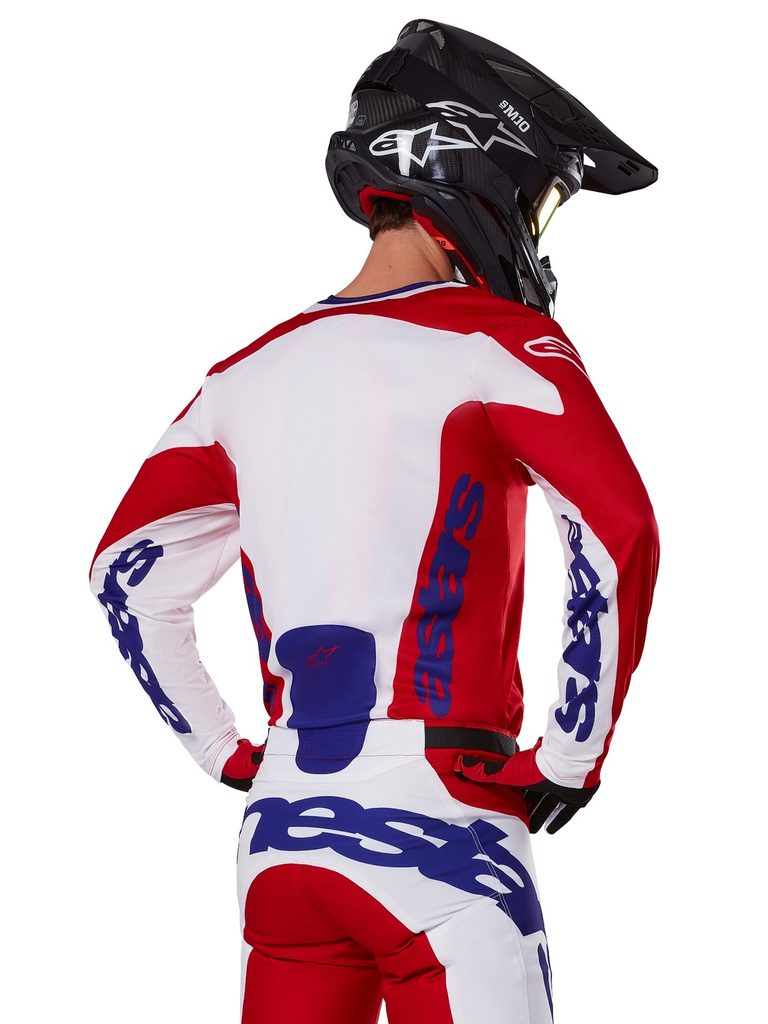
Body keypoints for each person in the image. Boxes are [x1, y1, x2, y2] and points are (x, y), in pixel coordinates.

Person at [88, 18, 660, 1024]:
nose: (537, 228)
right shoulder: (496, 341)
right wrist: (574, 753)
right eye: (540, 198)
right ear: (476, 170)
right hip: (444, 821)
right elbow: (618, 532)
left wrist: (225, 751)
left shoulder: (242, 375)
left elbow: (125, 575)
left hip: (283, 834)